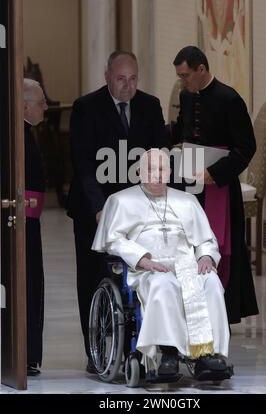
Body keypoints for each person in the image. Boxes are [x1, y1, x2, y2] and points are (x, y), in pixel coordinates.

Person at [67, 51, 167, 370]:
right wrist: (100, 209)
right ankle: (95, 351)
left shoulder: (150, 106)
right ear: (107, 75)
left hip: (138, 210)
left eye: (133, 79)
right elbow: (84, 165)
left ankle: (138, 349)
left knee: (141, 276)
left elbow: (159, 156)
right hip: (94, 208)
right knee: (93, 278)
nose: (127, 86)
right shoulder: (86, 108)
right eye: (121, 79)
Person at [92, 149, 231, 378]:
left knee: (211, 282)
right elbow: (113, 240)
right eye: (149, 169)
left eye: (161, 169)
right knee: (164, 284)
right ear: (138, 172)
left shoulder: (188, 201)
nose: (156, 175)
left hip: (186, 266)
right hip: (145, 270)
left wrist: (205, 256)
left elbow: (206, 239)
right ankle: (169, 354)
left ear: (170, 173)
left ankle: (209, 354)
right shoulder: (120, 200)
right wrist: (143, 260)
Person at [171, 45, 258, 324]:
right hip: (190, 185)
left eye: (185, 75)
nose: (182, 82)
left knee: (219, 248)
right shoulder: (186, 97)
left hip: (219, 187)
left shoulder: (229, 99)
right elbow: (182, 131)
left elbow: (246, 148)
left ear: (201, 69)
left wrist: (215, 173)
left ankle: (220, 312)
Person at [24, 78, 48, 376]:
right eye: (40, 101)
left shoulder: (27, 132)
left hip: (30, 224)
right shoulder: (17, 134)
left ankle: (29, 354)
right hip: (21, 225)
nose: (46, 106)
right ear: (25, 104)